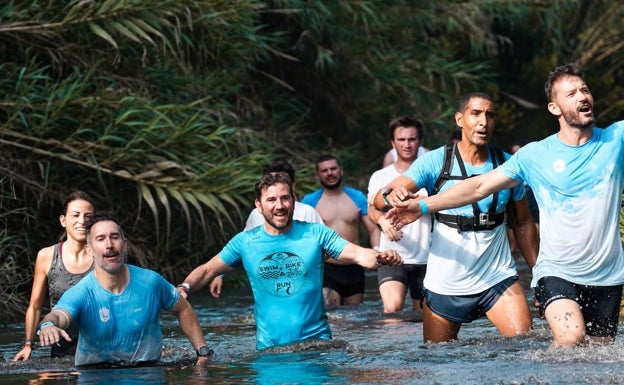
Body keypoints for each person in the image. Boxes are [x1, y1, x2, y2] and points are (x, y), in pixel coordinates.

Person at [380, 63, 624, 347]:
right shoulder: (534, 155)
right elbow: (478, 186)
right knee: (571, 339)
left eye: (585, 90)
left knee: (598, 356)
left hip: (607, 275)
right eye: (571, 94)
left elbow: (521, 221)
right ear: (554, 108)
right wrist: (422, 207)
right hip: (556, 271)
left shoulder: (616, 140)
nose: (582, 97)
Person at [373, 92, 538, 343]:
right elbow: (380, 197)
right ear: (460, 119)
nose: (483, 121)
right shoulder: (435, 161)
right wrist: (392, 195)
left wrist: (539, 273)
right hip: (446, 282)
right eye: (476, 114)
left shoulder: (508, 164)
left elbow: (523, 221)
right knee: (438, 360)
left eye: (490, 115)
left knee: (526, 345)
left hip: (497, 276)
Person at [177, 172, 402, 350]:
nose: (280, 205)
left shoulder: (316, 234)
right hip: (270, 351)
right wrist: (185, 287)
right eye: (271, 199)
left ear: (293, 200)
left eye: (285, 198)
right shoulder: (245, 242)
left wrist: (381, 257)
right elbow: (208, 270)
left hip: (317, 345)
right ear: (259, 205)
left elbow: (357, 254)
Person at [36, 211, 212, 366]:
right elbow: (59, 314)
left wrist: (202, 351)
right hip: (96, 374)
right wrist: (48, 325)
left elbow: (182, 308)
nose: (109, 244)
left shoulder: (150, 282)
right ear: (89, 250)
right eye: (101, 239)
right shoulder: (82, 292)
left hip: (148, 371)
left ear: (124, 244)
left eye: (114, 237)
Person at [209, 159, 323, 297]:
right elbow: (241, 248)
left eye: (280, 179)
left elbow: (326, 251)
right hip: (269, 283)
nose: (275, 183)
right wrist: (219, 274)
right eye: (270, 180)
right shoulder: (257, 214)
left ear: (292, 185)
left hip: (303, 285)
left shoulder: (307, 212)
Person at [13, 191, 96, 362]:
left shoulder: (103, 256)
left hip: (99, 351)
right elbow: (35, 307)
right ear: (63, 220)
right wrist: (28, 344)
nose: (82, 221)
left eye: (88, 216)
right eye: (75, 215)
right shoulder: (46, 256)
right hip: (61, 352)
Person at [367, 116, 431, 314]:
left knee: (424, 317)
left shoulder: (432, 174)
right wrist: (381, 222)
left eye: (411, 139)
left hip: (427, 257)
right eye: (401, 140)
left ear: (419, 142)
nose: (407, 144)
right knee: (392, 309)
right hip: (393, 255)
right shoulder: (380, 176)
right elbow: (372, 208)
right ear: (392, 143)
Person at [301, 155, 380, 306]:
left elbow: (373, 229)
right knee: (332, 314)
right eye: (324, 170)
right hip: (327, 268)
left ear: (341, 171)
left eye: (333, 168)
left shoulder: (357, 197)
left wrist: (376, 250)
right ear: (318, 175)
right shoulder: (310, 202)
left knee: (354, 319)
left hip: (355, 267)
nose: (330, 173)